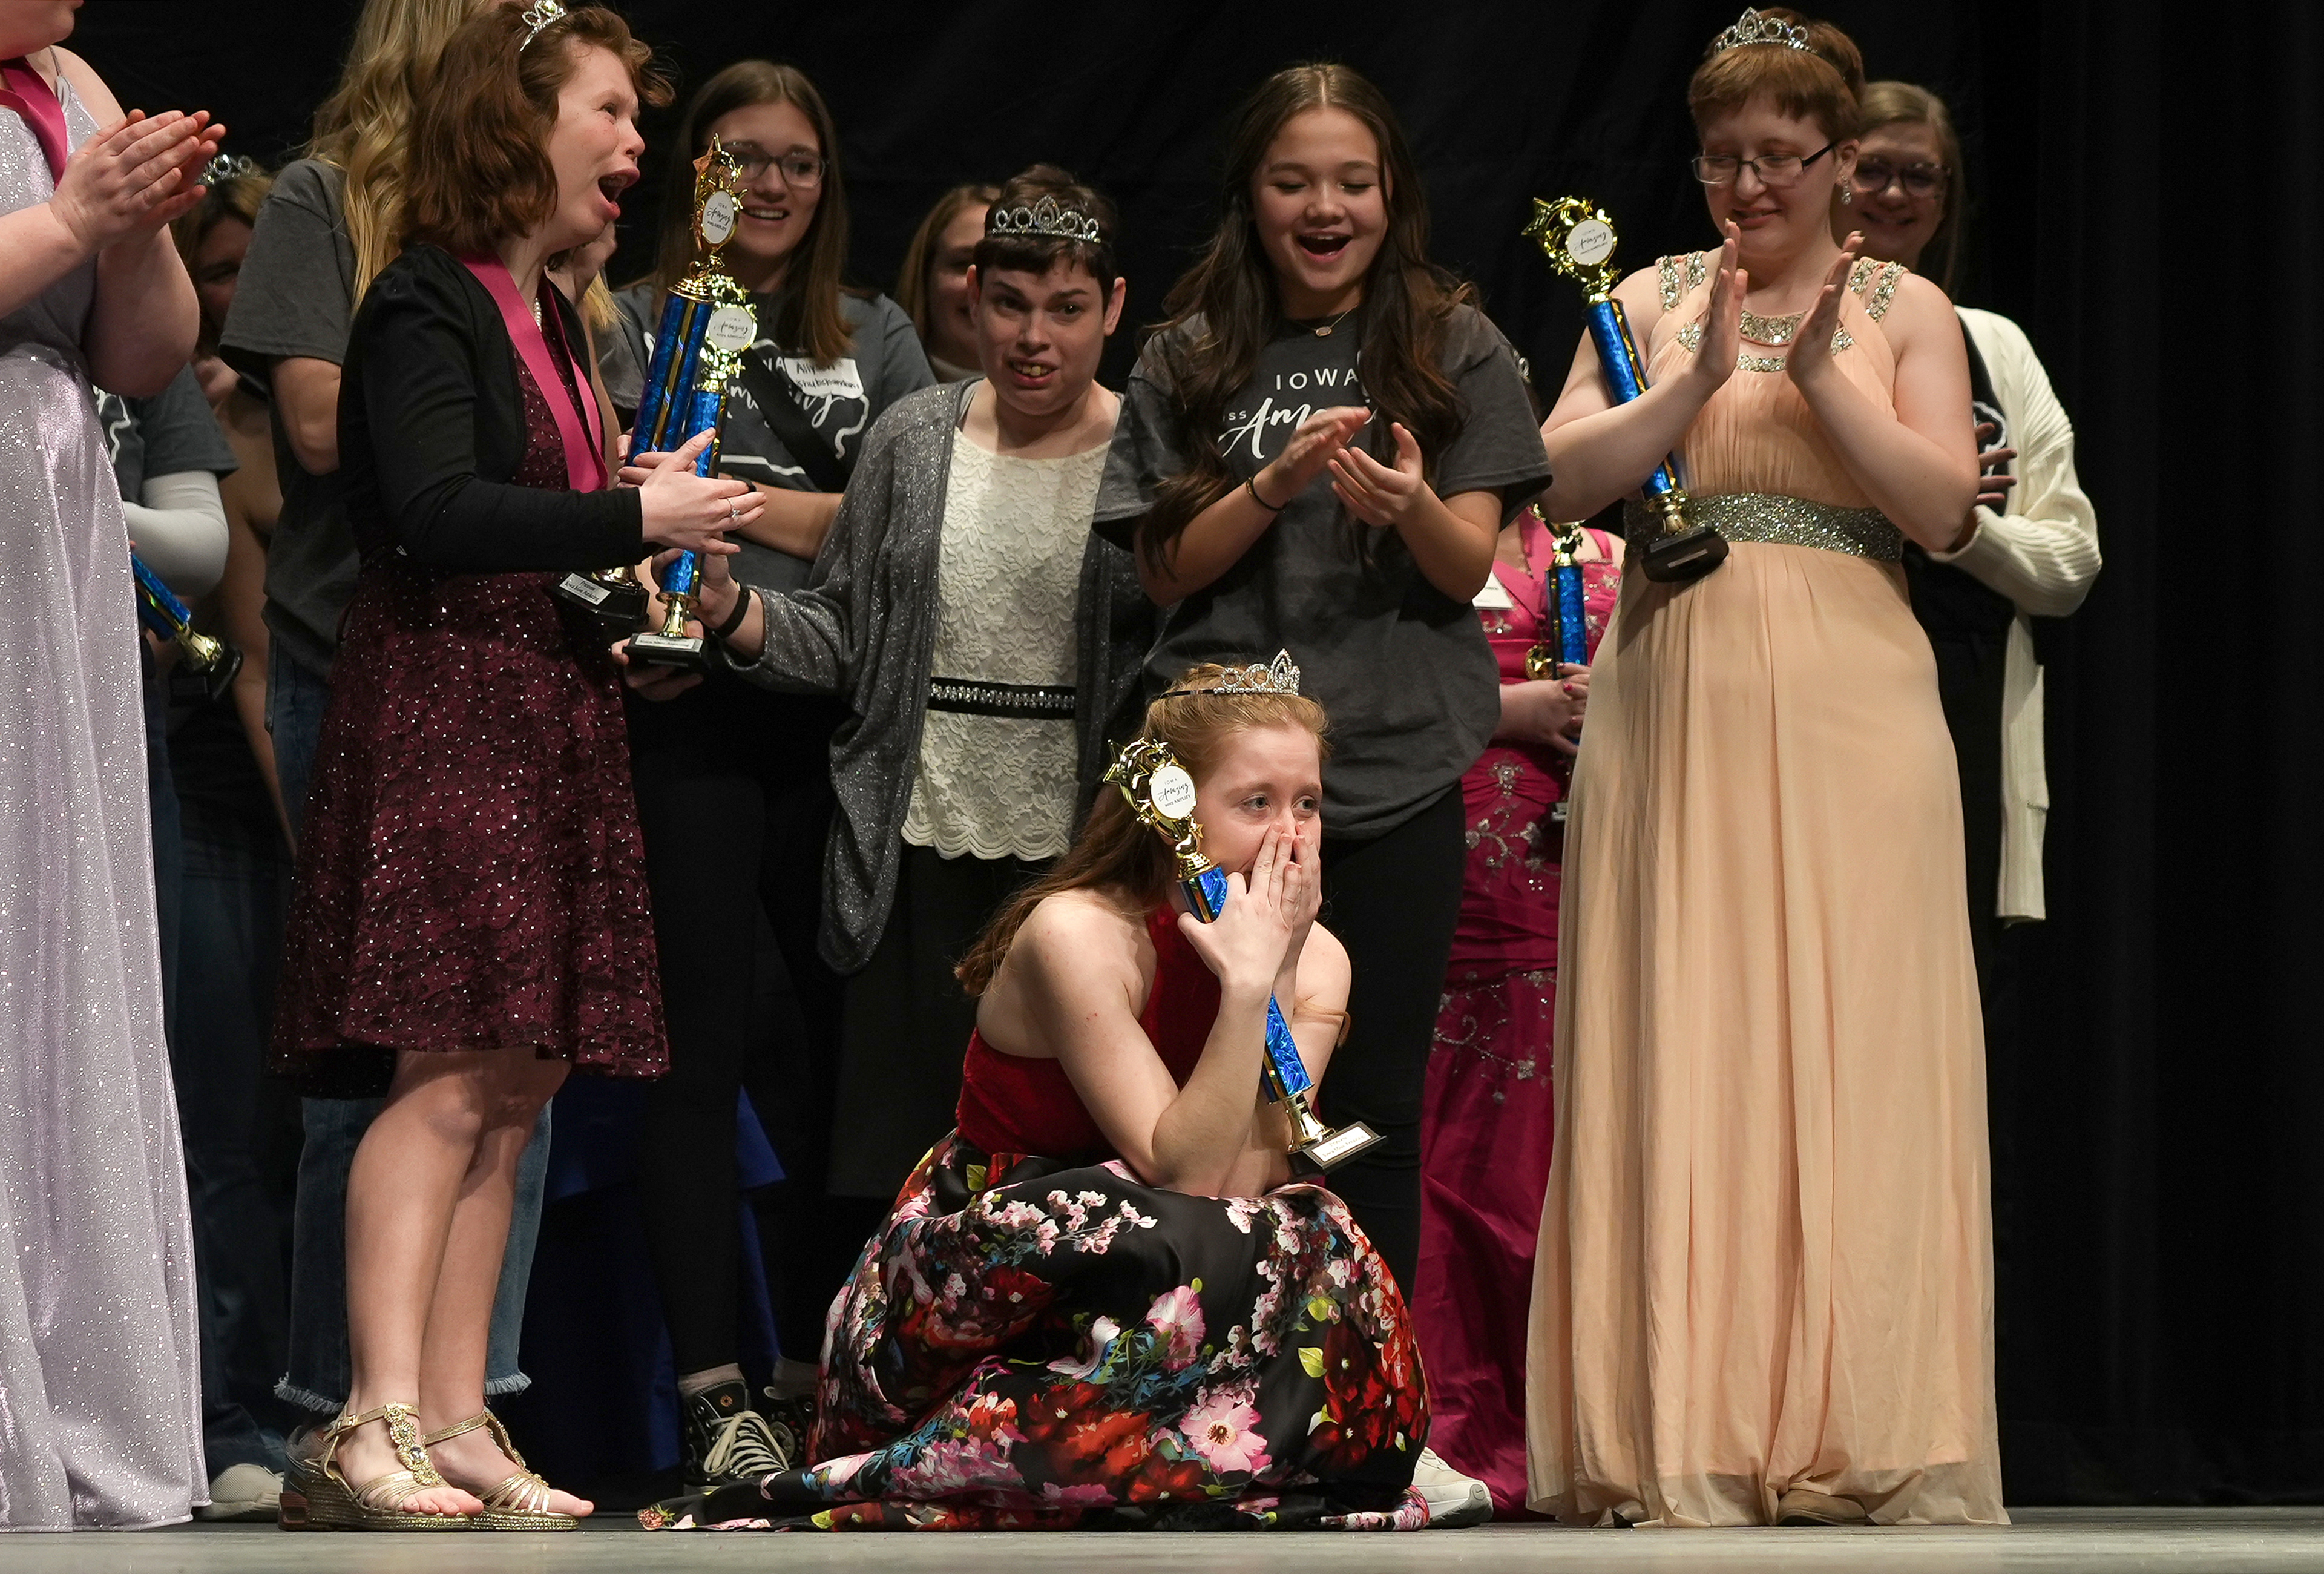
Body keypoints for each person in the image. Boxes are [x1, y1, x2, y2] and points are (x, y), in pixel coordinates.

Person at [1523, 7, 2003, 1526]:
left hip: (1857, 692)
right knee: (1691, 1023)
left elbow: (1939, 509)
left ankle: (1860, 1423)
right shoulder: (1647, 297)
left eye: (1780, 160)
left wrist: (1811, 379)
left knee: (1856, 1035)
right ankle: (1688, 1419)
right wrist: (1693, 380)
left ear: (1839, 161)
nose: (1748, 187)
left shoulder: (1904, 306)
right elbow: (1557, 480)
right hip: (1679, 682)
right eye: (1723, 161)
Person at [267, 4, 736, 1529]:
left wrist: (629, 508)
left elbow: (541, 516)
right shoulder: (425, 296)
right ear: (516, 126)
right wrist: (627, 522)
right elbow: (433, 509)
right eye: (607, 111)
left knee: (520, 1077)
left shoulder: (551, 314)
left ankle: (461, 1411)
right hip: (449, 717)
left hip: (542, 713)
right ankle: (366, 1414)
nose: (634, 146)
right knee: (447, 1062)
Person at [640, 668, 1460, 1532]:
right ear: (1174, 810)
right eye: (1257, 802)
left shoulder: (1318, 957)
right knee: (1159, 1222)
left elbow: (1248, 1181)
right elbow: (1178, 1169)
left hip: (1173, 1253)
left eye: (1309, 804)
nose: (1290, 835)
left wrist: (1277, 974)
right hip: (999, 1252)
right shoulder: (1077, 931)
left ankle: (1217, 1453)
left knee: (1312, 1230)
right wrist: (1250, 988)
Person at [1097, 63, 1554, 1305]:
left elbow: (1469, 573)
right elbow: (1163, 565)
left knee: (1372, 1112)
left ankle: (1372, 1408)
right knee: (1223, 1096)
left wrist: (1410, 508)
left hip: (1396, 768)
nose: (1324, 205)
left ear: (1391, 192)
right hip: (1225, 788)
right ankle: (1220, 1398)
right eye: (1294, 180)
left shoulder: (1454, 339)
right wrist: (1271, 486)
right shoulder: (1188, 352)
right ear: (1252, 194)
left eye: (1352, 180)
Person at [672, 160, 1154, 1250]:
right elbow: (843, 636)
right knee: (901, 1162)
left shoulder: (1146, 457)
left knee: (1056, 1168)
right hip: (913, 850)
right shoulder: (912, 439)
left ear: (1113, 309)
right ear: (972, 299)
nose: (1037, 338)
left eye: (1069, 310)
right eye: (1011, 306)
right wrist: (730, 607)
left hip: (1071, 858)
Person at [216, 0, 563, 1480]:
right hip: (373, 655)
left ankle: (456, 1397)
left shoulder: (539, 265)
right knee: (388, 1061)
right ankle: (332, 1410)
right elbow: (312, 425)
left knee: (506, 1068)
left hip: (519, 666)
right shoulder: (333, 203)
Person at [607, 56, 934, 1493]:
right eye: (742, 155)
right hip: (683, 707)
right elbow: (608, 487)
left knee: (824, 1056)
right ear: (694, 170)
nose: (772, 182)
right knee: (699, 1044)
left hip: (838, 726)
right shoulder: (631, 318)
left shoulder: (879, 335)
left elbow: (910, 512)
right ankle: (711, 1386)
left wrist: (754, 517)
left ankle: (820, 1375)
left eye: (798, 159)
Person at [0, 7, 222, 1529]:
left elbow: (143, 356)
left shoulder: (72, 83)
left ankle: (68, 1384)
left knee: (57, 924)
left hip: (52, 483)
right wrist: (75, 212)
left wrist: (136, 236)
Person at [1844, 79, 2099, 972]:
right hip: (1819, 702)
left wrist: (1956, 530)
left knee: (1952, 1020)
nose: (1896, 195)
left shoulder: (1994, 345)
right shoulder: (1768, 335)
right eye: (1873, 168)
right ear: (1828, 172)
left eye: (1923, 175)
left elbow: (2069, 566)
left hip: (1964, 721)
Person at [1415, 509, 1618, 1515]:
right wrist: (1509, 709)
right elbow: (1336, 688)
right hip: (1444, 874)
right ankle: (1448, 1427)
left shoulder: (1610, 557)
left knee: (1555, 1165)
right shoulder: (1400, 550)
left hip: (1588, 882)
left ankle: (1578, 1428)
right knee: (1452, 1171)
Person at [893, 180, 1000, 381]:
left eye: (1003, 266)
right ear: (925, 276)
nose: (982, 286)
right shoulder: (874, 392)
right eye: (962, 264)